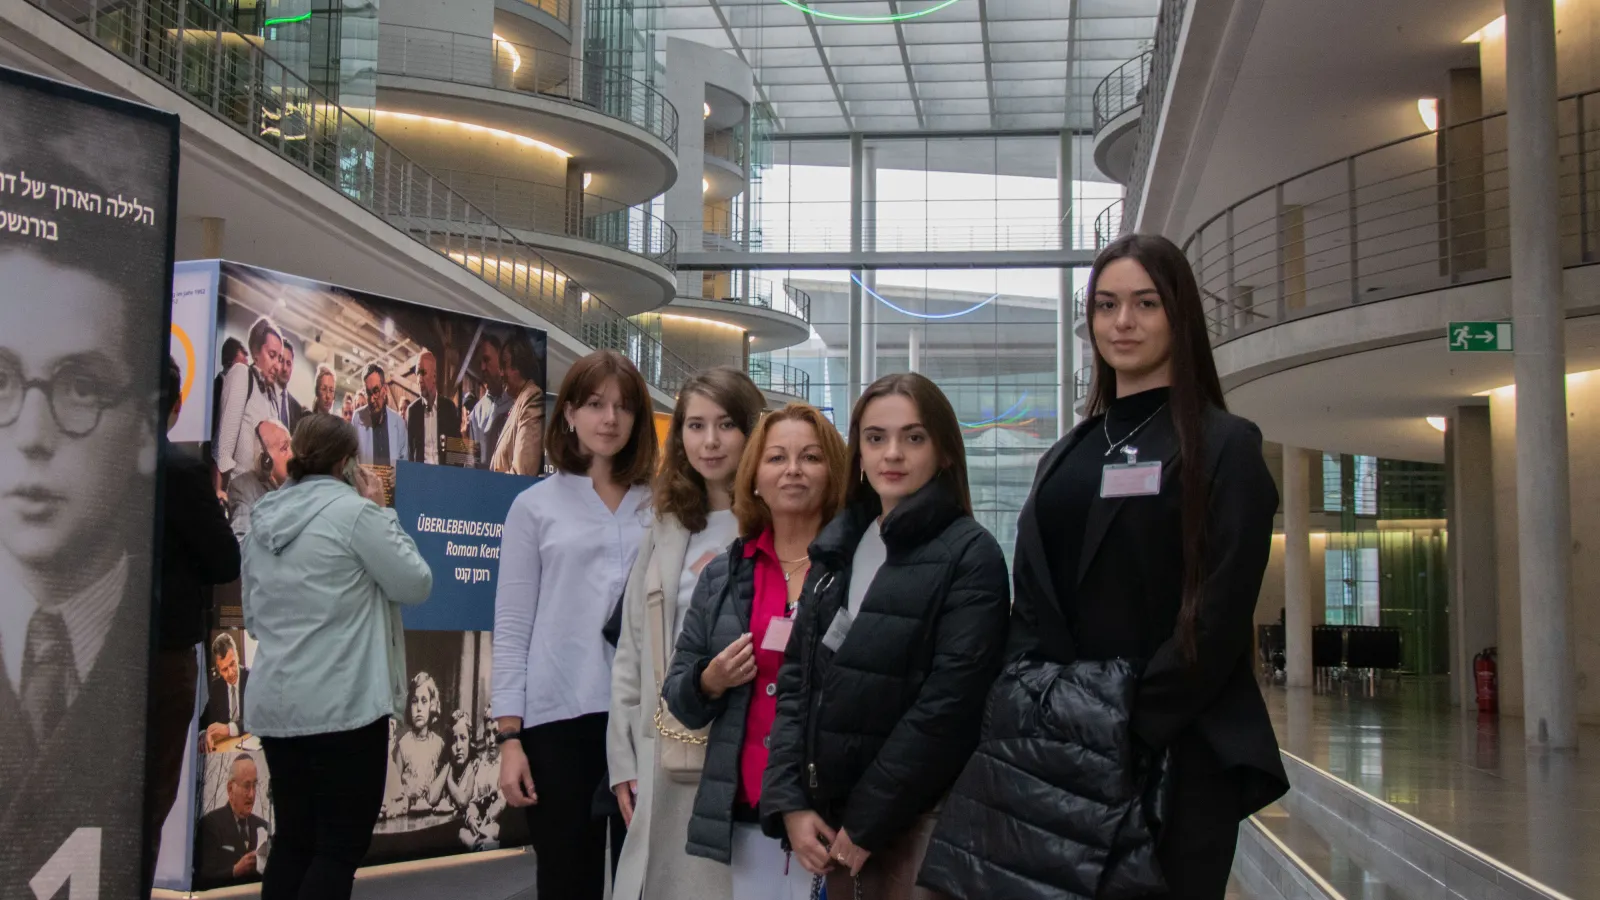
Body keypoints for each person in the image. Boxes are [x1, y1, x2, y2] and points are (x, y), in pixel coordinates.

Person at [919, 234, 1286, 900]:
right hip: (1060, 754)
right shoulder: (1066, 452)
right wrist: (1047, 714)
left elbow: (1218, 613)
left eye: (1146, 303)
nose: (1123, 322)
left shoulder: (1226, 446)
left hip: (1176, 748)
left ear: (1180, 315)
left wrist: (1125, 723)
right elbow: (1031, 602)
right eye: (1107, 304)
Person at [754, 376, 1010, 900]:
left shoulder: (971, 554)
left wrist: (866, 824)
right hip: (832, 823)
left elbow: (948, 707)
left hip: (916, 826)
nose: (892, 453)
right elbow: (798, 681)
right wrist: (792, 804)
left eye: (913, 438)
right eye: (875, 438)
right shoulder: (842, 545)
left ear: (943, 452)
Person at [0, 244, 166, 895]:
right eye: (2, 380)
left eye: (80, 387)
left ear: (147, 427)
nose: (32, 434)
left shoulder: (142, 658)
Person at [241, 412, 434, 900]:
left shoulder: (263, 519)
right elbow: (416, 582)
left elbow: (255, 620)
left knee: (293, 842)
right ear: (348, 462)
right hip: (344, 710)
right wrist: (380, 507)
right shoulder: (357, 515)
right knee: (337, 848)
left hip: (279, 709)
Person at [664, 403, 849, 900]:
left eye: (810, 457)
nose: (792, 470)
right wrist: (710, 679)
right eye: (776, 458)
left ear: (833, 474)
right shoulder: (723, 575)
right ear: (753, 478)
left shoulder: (858, 572)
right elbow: (678, 694)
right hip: (748, 806)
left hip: (830, 809)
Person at [493, 349, 657, 900]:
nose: (609, 418)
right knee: (567, 881)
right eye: (594, 404)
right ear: (567, 413)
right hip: (559, 718)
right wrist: (510, 738)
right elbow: (513, 628)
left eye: (623, 406)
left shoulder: (661, 506)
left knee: (649, 879)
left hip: (644, 717)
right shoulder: (533, 507)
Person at [609, 367, 766, 900]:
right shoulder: (668, 522)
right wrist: (621, 760)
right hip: (666, 745)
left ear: (752, 431)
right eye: (695, 426)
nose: (710, 441)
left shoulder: (773, 523)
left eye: (726, 424)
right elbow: (632, 648)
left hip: (740, 748)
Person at [146, 356, 242, 895]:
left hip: (97, 654)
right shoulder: (182, 473)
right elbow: (225, 562)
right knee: (150, 798)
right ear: (177, 406)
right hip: (163, 656)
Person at [216, 317, 285, 485]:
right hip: (239, 495)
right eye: (272, 355)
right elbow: (223, 451)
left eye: (280, 359)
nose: (277, 365)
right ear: (255, 352)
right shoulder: (242, 375)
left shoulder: (273, 398)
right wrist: (221, 493)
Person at [197, 754, 271, 884]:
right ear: (230, 789)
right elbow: (202, 879)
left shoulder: (264, 827)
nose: (252, 794)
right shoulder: (210, 824)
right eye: (247, 786)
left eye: (255, 785)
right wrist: (234, 871)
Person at [392, 671, 449, 812]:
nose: (418, 708)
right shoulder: (403, 745)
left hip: (434, 815)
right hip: (408, 816)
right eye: (414, 701)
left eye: (424, 701)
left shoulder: (439, 744)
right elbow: (393, 790)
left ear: (432, 706)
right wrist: (408, 791)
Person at [228, 418, 292, 539]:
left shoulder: (300, 483)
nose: (292, 454)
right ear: (265, 461)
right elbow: (241, 541)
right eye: (284, 448)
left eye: (291, 445)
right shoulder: (244, 488)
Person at [489, 337, 545, 476]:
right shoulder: (519, 402)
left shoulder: (531, 397)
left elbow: (523, 474)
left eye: (504, 365)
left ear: (519, 367)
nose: (501, 373)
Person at [407, 350, 462, 465]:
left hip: (444, 478)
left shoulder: (449, 408)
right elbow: (410, 454)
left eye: (423, 373)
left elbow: (457, 455)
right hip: (421, 479)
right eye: (417, 373)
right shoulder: (413, 411)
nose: (419, 379)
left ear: (434, 377)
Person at [468, 334, 513, 468]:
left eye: (486, 360)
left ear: (500, 360)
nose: (482, 367)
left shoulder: (518, 402)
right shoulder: (477, 413)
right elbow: (471, 463)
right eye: (480, 362)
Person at [202, 632, 251, 751]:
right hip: (225, 748)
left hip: (249, 743)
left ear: (237, 655)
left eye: (232, 664)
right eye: (224, 669)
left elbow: (259, 717)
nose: (230, 673)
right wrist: (203, 735)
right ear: (218, 669)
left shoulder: (253, 678)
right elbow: (204, 722)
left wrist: (229, 729)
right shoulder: (215, 687)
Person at [355, 364, 408, 467]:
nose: (371, 399)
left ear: (385, 389)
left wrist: (398, 472)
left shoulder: (398, 423)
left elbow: (405, 460)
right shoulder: (357, 418)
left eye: (375, 391)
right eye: (368, 393)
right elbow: (352, 459)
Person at [279, 338, 307, 429]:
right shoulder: (265, 396)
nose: (284, 368)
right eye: (281, 361)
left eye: (288, 363)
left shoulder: (297, 408)